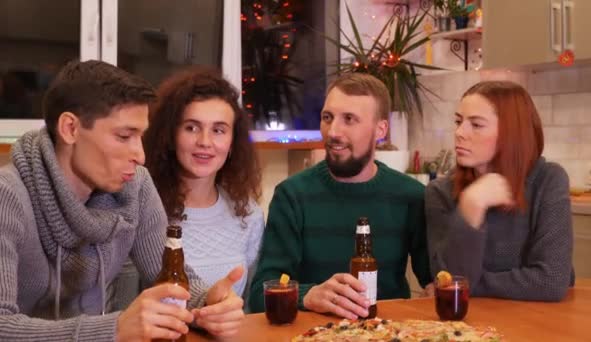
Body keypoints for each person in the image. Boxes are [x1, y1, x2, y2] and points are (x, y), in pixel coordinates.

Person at [0, 60, 244, 341]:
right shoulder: (7, 197)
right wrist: (112, 330)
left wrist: (206, 304)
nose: (140, 156)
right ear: (70, 129)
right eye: (124, 136)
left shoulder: (136, 186)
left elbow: (166, 277)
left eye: (140, 137)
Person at [249, 73, 433, 319]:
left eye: (349, 119)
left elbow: (436, 282)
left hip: (389, 332)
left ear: (380, 130)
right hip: (311, 335)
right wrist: (308, 295)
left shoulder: (411, 196)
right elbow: (261, 294)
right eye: (328, 118)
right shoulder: (292, 196)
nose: (333, 131)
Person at [425, 80, 574, 301]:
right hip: (472, 326)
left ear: (511, 132)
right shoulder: (440, 191)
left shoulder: (549, 180)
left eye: (476, 125)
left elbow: (551, 281)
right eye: (458, 121)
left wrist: (472, 285)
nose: (459, 132)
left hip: (541, 321)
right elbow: (449, 284)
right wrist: (470, 208)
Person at [144, 67, 264, 300]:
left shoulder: (249, 215)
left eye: (219, 130)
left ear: (232, 143)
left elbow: (250, 307)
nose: (205, 142)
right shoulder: (143, 207)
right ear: (170, 135)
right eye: (192, 128)